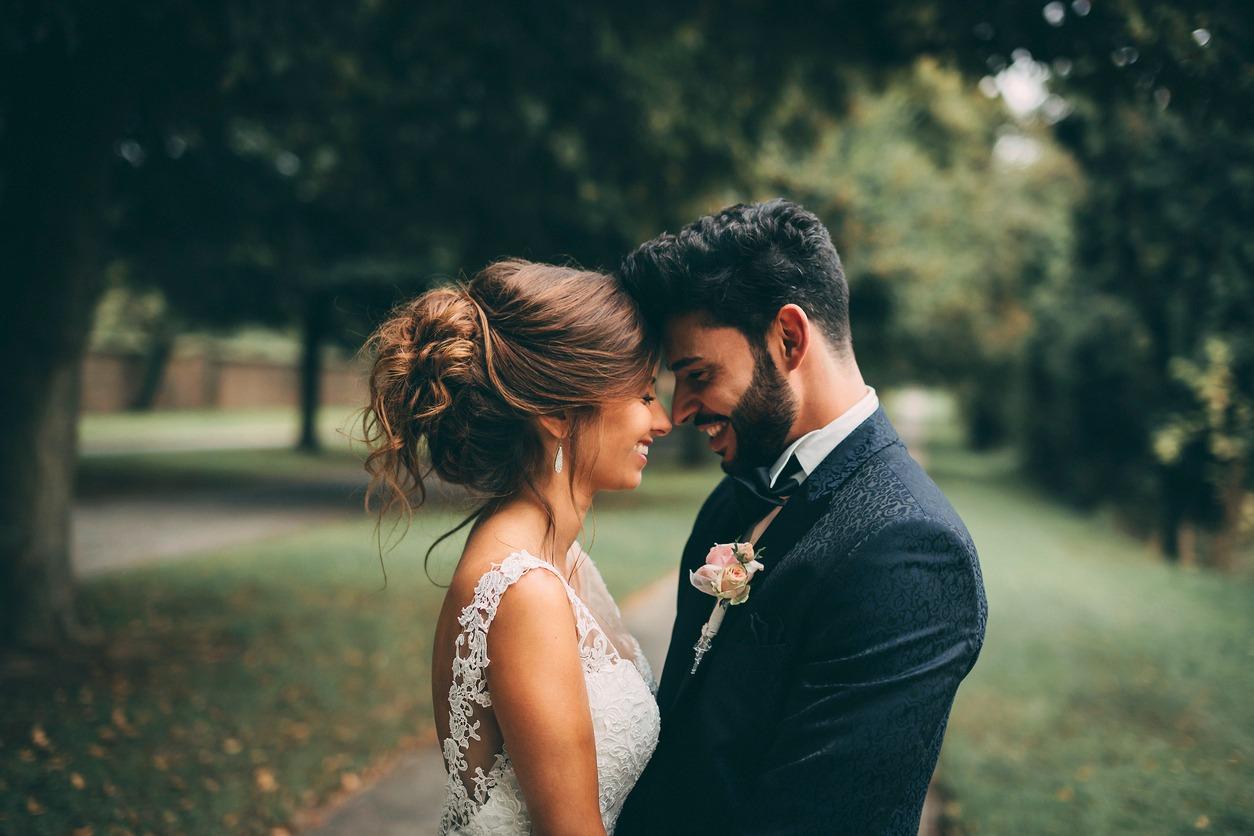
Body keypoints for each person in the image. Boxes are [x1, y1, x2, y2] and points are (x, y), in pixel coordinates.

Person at [614, 199, 988, 835]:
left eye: (697, 374)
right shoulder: (731, 498)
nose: (679, 411)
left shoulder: (910, 551)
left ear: (788, 338)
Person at [359, 259, 672, 835]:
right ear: (556, 412)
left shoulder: (563, 561)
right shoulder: (523, 591)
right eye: (645, 395)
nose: (663, 420)